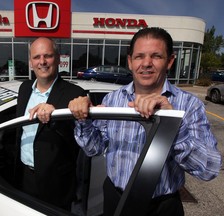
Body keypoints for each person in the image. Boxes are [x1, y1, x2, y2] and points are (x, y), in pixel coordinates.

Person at [68, 27, 222, 216]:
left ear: (169, 61)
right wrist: (83, 120)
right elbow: (94, 148)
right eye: (139, 56)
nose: (146, 63)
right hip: (115, 200)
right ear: (130, 62)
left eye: (156, 56)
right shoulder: (112, 100)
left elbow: (208, 170)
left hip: (162, 207)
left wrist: (172, 124)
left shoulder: (189, 105)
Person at [0, 37, 86, 210]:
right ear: (30, 62)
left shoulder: (75, 93)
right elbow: (20, 117)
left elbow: (80, 138)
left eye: (47, 56)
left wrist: (54, 117)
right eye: (36, 57)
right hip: (23, 175)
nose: (42, 62)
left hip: (55, 183)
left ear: (58, 59)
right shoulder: (25, 88)